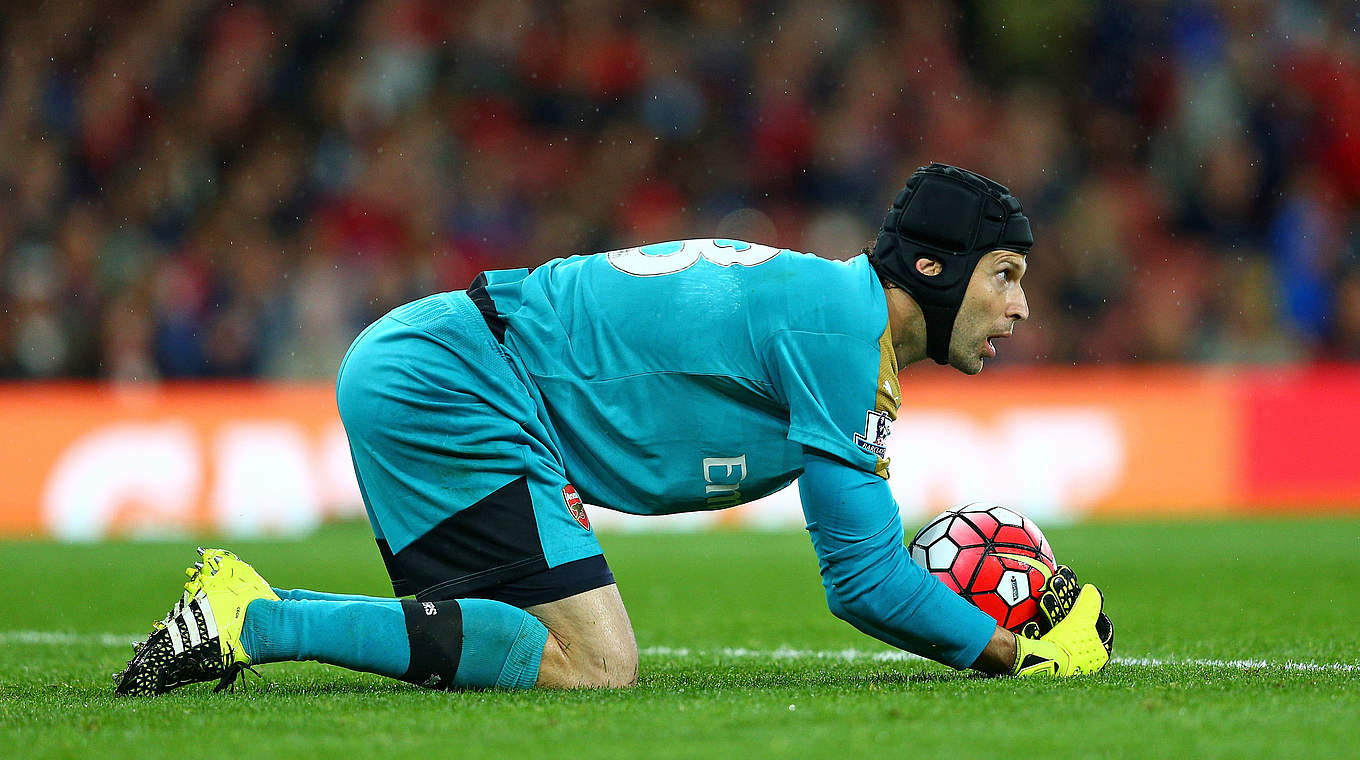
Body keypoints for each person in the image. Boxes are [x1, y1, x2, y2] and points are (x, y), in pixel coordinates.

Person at [115, 163, 1113, 696]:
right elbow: (859, 579)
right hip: (458, 379)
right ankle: (252, 617)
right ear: (935, 271)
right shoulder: (839, 333)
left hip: (435, 363)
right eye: (1006, 274)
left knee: (499, 650)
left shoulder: (836, 319)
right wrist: (1009, 653)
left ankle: (246, 617)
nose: (1020, 306)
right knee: (596, 666)